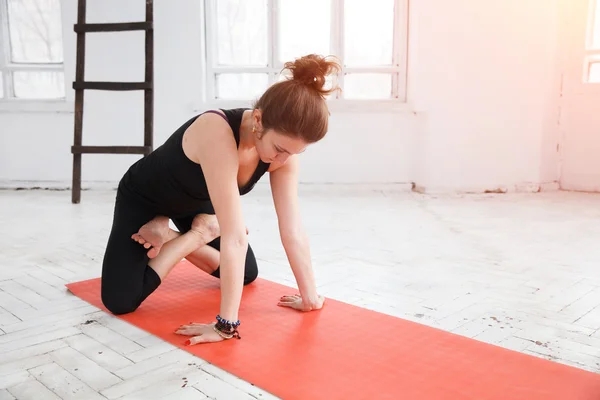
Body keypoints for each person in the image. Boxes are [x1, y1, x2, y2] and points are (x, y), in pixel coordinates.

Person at [100, 54, 341, 345]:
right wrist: (225, 326)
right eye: (279, 148)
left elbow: (292, 229)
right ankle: (191, 230)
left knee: (246, 273)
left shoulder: (283, 154)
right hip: (145, 197)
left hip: (196, 201)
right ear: (259, 119)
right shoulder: (216, 130)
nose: (283, 160)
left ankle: (183, 234)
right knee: (121, 301)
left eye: (294, 153)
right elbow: (236, 238)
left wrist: (310, 296)